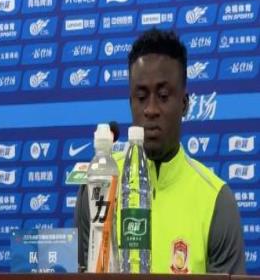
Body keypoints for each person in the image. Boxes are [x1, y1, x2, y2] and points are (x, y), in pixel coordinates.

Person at [74, 28, 245, 274]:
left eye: (163, 96)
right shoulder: (99, 185)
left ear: (184, 104)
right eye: (141, 97)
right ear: (130, 102)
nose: (151, 110)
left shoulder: (217, 200)